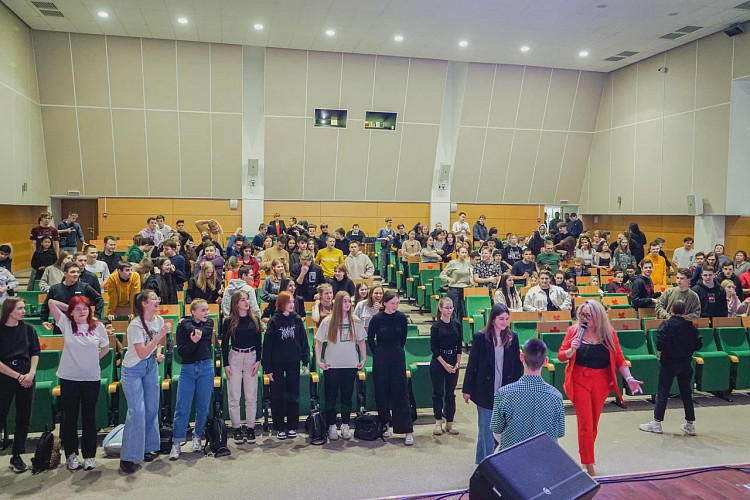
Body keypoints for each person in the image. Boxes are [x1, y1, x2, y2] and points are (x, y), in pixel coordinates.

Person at [558, 300, 643, 476]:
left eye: (588, 316)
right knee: (585, 422)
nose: (584, 319)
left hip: (601, 381)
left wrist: (629, 378)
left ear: (598, 316)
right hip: (579, 379)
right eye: (582, 315)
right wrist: (571, 350)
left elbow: (619, 359)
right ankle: (589, 464)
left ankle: (586, 458)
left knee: (593, 423)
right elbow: (561, 356)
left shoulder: (609, 333)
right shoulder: (573, 331)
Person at [47, 297, 109, 471]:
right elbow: (51, 303)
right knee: (70, 417)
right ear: (71, 312)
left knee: (89, 417)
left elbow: (105, 348)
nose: (82, 312)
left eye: (85, 309)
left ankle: (89, 455)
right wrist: (71, 308)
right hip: (69, 378)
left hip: (91, 378)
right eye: (78, 309)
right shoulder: (66, 323)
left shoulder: (97, 326)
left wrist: (93, 360)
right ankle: (71, 455)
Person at [462, 304, 523, 464]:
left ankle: (484, 460)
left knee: (501, 431)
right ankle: (486, 465)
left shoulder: (513, 337)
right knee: (486, 431)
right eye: (501, 319)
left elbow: (517, 367)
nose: (504, 322)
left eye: (507, 319)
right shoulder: (480, 337)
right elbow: (472, 365)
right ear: (493, 319)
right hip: (485, 391)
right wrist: (467, 389)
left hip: (506, 391)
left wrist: (518, 389)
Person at [119, 291, 169, 473]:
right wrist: (160, 335)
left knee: (151, 408)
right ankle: (127, 457)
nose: (157, 301)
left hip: (150, 366)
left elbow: (158, 345)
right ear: (144, 304)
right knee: (137, 411)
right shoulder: (135, 325)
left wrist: (158, 354)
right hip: (133, 369)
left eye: (158, 298)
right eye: (153, 298)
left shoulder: (159, 320)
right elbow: (141, 353)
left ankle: (147, 447)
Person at [640, 300, 702, 436]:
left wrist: (661, 354)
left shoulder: (666, 325)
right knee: (686, 393)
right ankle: (690, 424)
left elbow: (660, 342)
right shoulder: (690, 326)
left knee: (663, 392)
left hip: (668, 363)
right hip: (685, 363)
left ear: (671, 310)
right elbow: (698, 344)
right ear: (685, 311)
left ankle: (657, 423)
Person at [491, 338, 565, 450]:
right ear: (545, 361)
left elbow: (496, 430)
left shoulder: (504, 393)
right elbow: (559, 432)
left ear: (521, 357)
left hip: (513, 455)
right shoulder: (556, 396)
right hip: (544, 456)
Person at [315, 291, 367, 441]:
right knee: (331, 397)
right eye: (344, 301)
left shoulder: (355, 320)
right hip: (332, 365)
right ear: (338, 303)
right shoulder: (328, 321)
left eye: (349, 301)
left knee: (347, 397)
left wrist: (363, 358)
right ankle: (331, 425)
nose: (347, 304)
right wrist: (319, 360)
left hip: (350, 364)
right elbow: (319, 342)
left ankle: (345, 424)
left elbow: (361, 341)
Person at [169, 300, 214, 460]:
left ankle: (198, 436)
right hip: (187, 369)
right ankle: (177, 441)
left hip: (205, 367)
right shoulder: (182, 327)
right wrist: (193, 342)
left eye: (207, 309)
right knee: (182, 407)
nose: (206, 313)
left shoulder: (208, 323)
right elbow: (182, 351)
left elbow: (203, 333)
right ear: (193, 311)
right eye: (203, 310)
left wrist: (186, 325)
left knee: (203, 406)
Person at [367, 290, 414, 445]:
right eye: (392, 303)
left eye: (397, 303)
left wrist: (396, 350)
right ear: (385, 303)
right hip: (381, 355)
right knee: (382, 390)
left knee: (401, 391)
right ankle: (385, 423)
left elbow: (403, 338)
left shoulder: (401, 318)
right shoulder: (377, 319)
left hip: (397, 354)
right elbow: (370, 339)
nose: (395, 306)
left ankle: (406, 428)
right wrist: (378, 353)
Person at [262, 291, 310, 440]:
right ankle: (279, 427)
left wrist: (305, 360)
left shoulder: (297, 319)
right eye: (289, 302)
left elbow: (303, 341)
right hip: (277, 363)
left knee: (293, 394)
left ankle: (292, 425)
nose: (292, 304)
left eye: (293, 302)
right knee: (277, 395)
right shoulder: (274, 321)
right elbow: (267, 346)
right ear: (282, 303)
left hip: (293, 362)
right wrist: (267, 368)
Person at [0, 298, 40, 473]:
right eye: (20, 308)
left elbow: (35, 352)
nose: (24, 311)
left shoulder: (29, 329)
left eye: (24, 308)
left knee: (23, 417)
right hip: (6, 376)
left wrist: (31, 373)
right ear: (9, 310)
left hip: (27, 375)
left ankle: (17, 455)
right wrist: (17, 376)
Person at [223, 290, 263, 444]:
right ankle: (236, 428)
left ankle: (251, 427)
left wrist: (258, 360)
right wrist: (226, 364)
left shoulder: (255, 319)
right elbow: (224, 343)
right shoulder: (229, 321)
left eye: (247, 299)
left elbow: (259, 342)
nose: (246, 302)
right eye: (242, 300)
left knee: (250, 395)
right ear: (236, 303)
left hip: (251, 356)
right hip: (235, 356)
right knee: (234, 395)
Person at [430, 297, 462, 436]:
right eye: (446, 308)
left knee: (450, 394)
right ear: (440, 309)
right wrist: (445, 365)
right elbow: (434, 348)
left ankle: (450, 422)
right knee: (438, 393)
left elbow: (459, 346)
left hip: (453, 359)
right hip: (439, 361)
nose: (449, 310)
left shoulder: (457, 325)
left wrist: (457, 363)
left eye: (451, 307)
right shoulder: (436, 326)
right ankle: (438, 422)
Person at [40, 262, 104, 332]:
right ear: (65, 274)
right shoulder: (55, 289)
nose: (76, 274)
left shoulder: (84, 287)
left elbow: (99, 299)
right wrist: (44, 320)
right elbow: (46, 305)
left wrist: (96, 316)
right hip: (61, 325)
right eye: (72, 272)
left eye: (77, 272)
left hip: (81, 326)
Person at [440, 246, 473, 322]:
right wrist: (449, 279)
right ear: (458, 253)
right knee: (453, 311)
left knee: (463, 311)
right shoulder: (452, 263)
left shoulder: (468, 263)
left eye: (465, 252)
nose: (464, 254)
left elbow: (470, 274)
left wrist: (470, 280)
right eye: (462, 252)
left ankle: (462, 328)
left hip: (465, 289)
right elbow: (442, 274)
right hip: (454, 289)